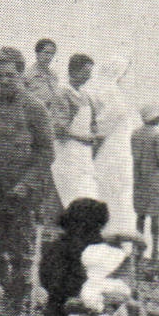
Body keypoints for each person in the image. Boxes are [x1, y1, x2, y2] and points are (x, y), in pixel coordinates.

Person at [0, 48, 55, 316]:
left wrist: (26, 183)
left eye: (11, 75)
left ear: (21, 74)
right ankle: (13, 290)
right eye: (0, 76)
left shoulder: (35, 108)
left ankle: (14, 303)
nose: (5, 81)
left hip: (23, 191)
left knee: (21, 251)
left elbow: (47, 153)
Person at [38, 197, 110, 316]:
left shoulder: (94, 249)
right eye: (97, 227)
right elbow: (56, 286)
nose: (99, 232)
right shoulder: (61, 251)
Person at [22, 38, 68, 223]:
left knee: (46, 165)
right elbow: (23, 102)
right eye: (46, 52)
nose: (49, 57)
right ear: (37, 53)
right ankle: (27, 208)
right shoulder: (27, 76)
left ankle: (39, 208)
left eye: (52, 53)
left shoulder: (54, 76)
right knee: (30, 164)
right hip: (31, 126)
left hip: (48, 127)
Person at [92, 56, 138, 239]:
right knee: (112, 186)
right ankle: (111, 229)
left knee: (112, 186)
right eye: (125, 73)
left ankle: (110, 228)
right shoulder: (110, 92)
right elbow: (105, 123)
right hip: (113, 148)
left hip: (116, 147)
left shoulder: (109, 92)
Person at [51, 53, 100, 207]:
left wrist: (94, 132)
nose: (89, 76)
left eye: (90, 73)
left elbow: (93, 122)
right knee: (73, 198)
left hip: (84, 155)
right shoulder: (62, 93)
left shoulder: (86, 96)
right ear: (74, 71)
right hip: (67, 153)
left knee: (89, 195)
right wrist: (82, 137)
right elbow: (59, 128)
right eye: (86, 72)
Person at [130, 105, 159, 261]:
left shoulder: (135, 134)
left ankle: (138, 248)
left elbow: (135, 158)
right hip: (155, 180)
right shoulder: (157, 136)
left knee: (140, 215)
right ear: (155, 118)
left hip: (140, 179)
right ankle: (155, 250)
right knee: (155, 217)